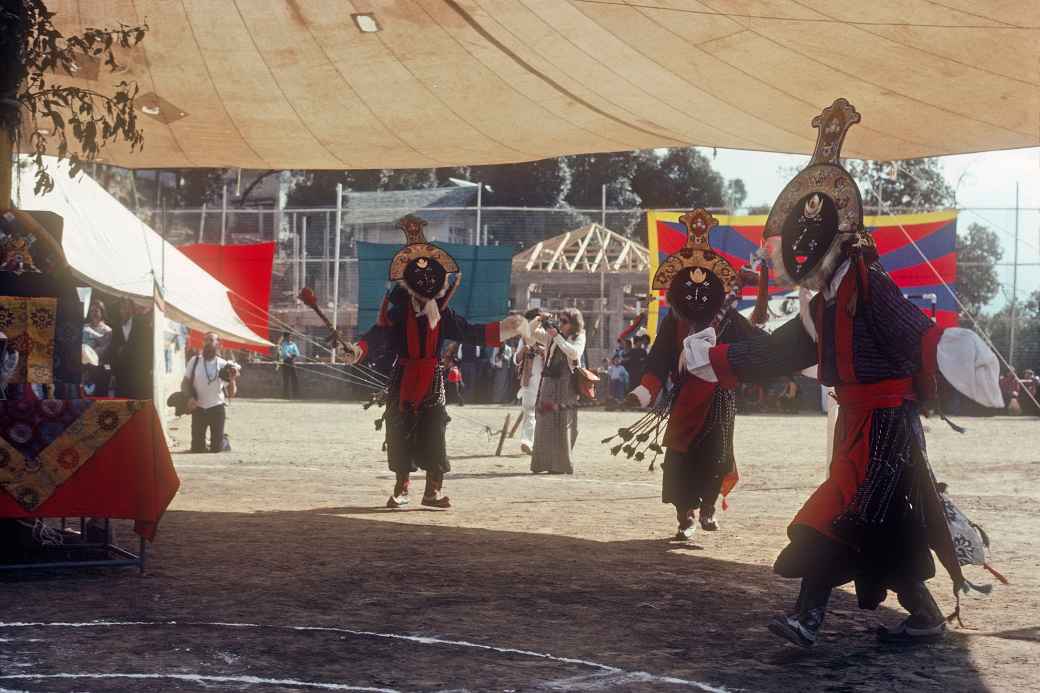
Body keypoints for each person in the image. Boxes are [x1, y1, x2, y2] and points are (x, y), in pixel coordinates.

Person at [681, 99, 1003, 647]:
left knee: (834, 513)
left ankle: (808, 618)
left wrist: (957, 354)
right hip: (860, 427)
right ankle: (923, 615)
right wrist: (715, 360)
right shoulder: (825, 301)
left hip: (886, 430)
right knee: (883, 528)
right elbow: (780, 350)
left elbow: (914, 335)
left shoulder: (868, 285)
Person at [339, 216, 527, 509]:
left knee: (434, 430)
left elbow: (472, 333)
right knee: (399, 429)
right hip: (403, 377)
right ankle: (401, 488)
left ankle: (433, 491)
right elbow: (375, 335)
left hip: (432, 380)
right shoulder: (398, 312)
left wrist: (509, 328)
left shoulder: (444, 315)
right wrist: (357, 350)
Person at [625, 209, 761, 539]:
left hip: (719, 398)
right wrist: (645, 390)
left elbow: (756, 346)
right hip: (684, 398)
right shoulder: (675, 320)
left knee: (716, 455)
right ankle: (684, 515)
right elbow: (659, 359)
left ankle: (709, 506)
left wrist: (785, 355)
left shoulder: (729, 320)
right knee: (679, 458)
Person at [530, 307, 585, 474]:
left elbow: (574, 353)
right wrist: (539, 319)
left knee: (563, 423)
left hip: (566, 383)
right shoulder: (552, 335)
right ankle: (542, 463)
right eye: (559, 320)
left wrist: (557, 337)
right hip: (549, 382)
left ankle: (560, 465)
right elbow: (532, 332)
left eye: (565, 321)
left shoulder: (579, 336)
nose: (561, 324)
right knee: (544, 421)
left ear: (574, 323)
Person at [184, 332, 239, 453]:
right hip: (198, 408)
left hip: (216, 409)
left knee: (216, 449)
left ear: (218, 344)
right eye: (205, 340)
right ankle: (210, 441)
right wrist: (189, 398)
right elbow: (185, 383)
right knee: (197, 449)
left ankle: (223, 440)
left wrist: (232, 379)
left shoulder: (224, 365)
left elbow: (231, 394)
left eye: (211, 340)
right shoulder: (194, 361)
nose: (207, 343)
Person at [106, 298, 153, 399]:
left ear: (132, 309)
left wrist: (148, 369)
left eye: (127, 307)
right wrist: (113, 372)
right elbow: (113, 350)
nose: (124, 310)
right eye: (122, 308)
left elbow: (148, 349)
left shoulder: (142, 324)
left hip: (139, 375)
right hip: (122, 376)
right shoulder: (116, 327)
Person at [514, 308, 546, 455]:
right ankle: (527, 442)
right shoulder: (524, 338)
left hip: (547, 379)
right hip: (530, 378)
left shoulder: (548, 336)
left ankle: (540, 443)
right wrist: (524, 350)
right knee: (529, 410)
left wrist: (542, 351)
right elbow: (516, 359)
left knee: (543, 413)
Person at [81, 301, 112, 396]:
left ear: (102, 313)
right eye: (92, 311)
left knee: (99, 397)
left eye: (96, 311)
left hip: (99, 369)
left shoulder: (107, 330)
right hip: (83, 368)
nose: (94, 313)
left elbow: (103, 349)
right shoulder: (84, 327)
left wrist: (89, 355)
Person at [278, 332, 301, 399]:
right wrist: (291, 355)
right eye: (288, 337)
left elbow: (297, 353)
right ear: (285, 337)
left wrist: (292, 355)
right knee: (286, 379)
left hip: (292, 362)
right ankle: (286, 395)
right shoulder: (283, 344)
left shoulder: (293, 344)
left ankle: (296, 394)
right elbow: (284, 353)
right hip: (286, 362)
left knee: (295, 378)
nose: (290, 338)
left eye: (290, 337)